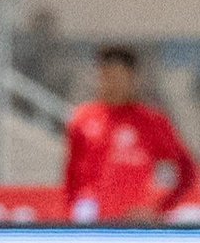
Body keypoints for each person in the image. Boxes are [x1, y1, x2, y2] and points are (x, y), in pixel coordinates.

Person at [64, 46, 197, 222]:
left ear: (132, 78)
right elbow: (72, 175)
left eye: (119, 77)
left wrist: (160, 208)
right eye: (107, 76)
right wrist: (75, 210)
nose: (113, 84)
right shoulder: (83, 118)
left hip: (135, 225)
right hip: (93, 222)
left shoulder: (152, 121)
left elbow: (187, 170)